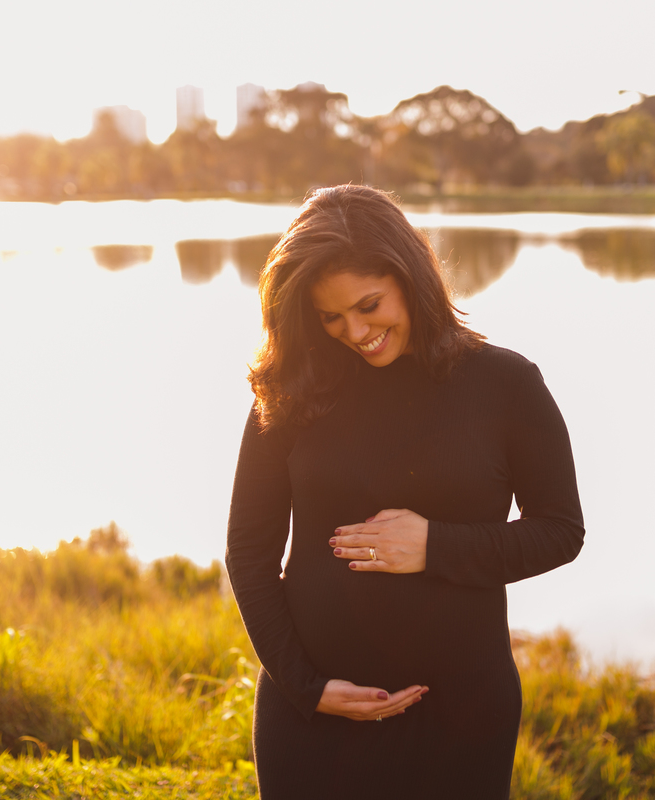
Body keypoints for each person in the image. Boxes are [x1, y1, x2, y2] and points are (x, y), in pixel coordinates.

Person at [226, 185, 584, 799]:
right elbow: (249, 551)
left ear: (410, 274)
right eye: (330, 317)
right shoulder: (293, 387)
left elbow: (559, 531)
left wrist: (434, 546)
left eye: (369, 305)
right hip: (312, 718)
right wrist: (305, 686)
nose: (355, 331)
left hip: (460, 718)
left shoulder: (505, 384)